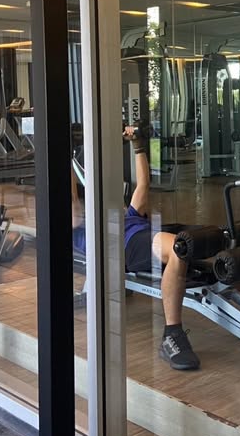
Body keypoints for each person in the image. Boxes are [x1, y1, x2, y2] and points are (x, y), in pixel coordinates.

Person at [71, 126, 200, 370]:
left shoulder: (130, 214)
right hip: (123, 247)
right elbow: (73, 207)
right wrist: (67, 157)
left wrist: (138, 146)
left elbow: (143, 185)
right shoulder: (80, 226)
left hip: (146, 236)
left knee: (222, 240)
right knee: (179, 246)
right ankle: (172, 334)